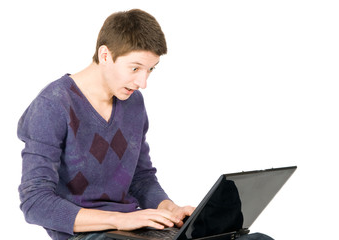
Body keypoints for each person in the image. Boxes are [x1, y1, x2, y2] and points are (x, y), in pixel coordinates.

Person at [17, 9, 273, 240]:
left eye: (150, 70)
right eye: (135, 68)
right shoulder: (52, 106)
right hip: (88, 235)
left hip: (134, 229)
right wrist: (121, 220)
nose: (143, 82)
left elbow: (140, 177)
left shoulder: (132, 102)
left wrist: (167, 208)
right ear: (105, 55)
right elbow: (35, 202)